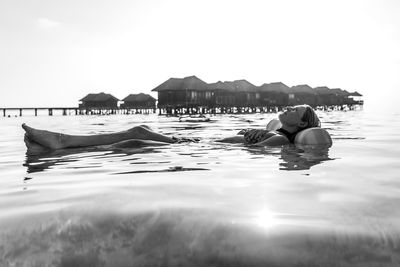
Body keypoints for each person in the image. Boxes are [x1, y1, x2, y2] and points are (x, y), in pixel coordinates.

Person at [22, 124, 197, 155]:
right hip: (187, 142)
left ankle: (63, 142)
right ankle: (62, 144)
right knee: (142, 130)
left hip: (190, 145)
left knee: (137, 135)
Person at [217, 104, 322, 146]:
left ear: (302, 123)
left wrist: (257, 136)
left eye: (295, 110)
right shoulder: (274, 133)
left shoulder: (281, 139)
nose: (289, 108)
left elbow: (252, 148)